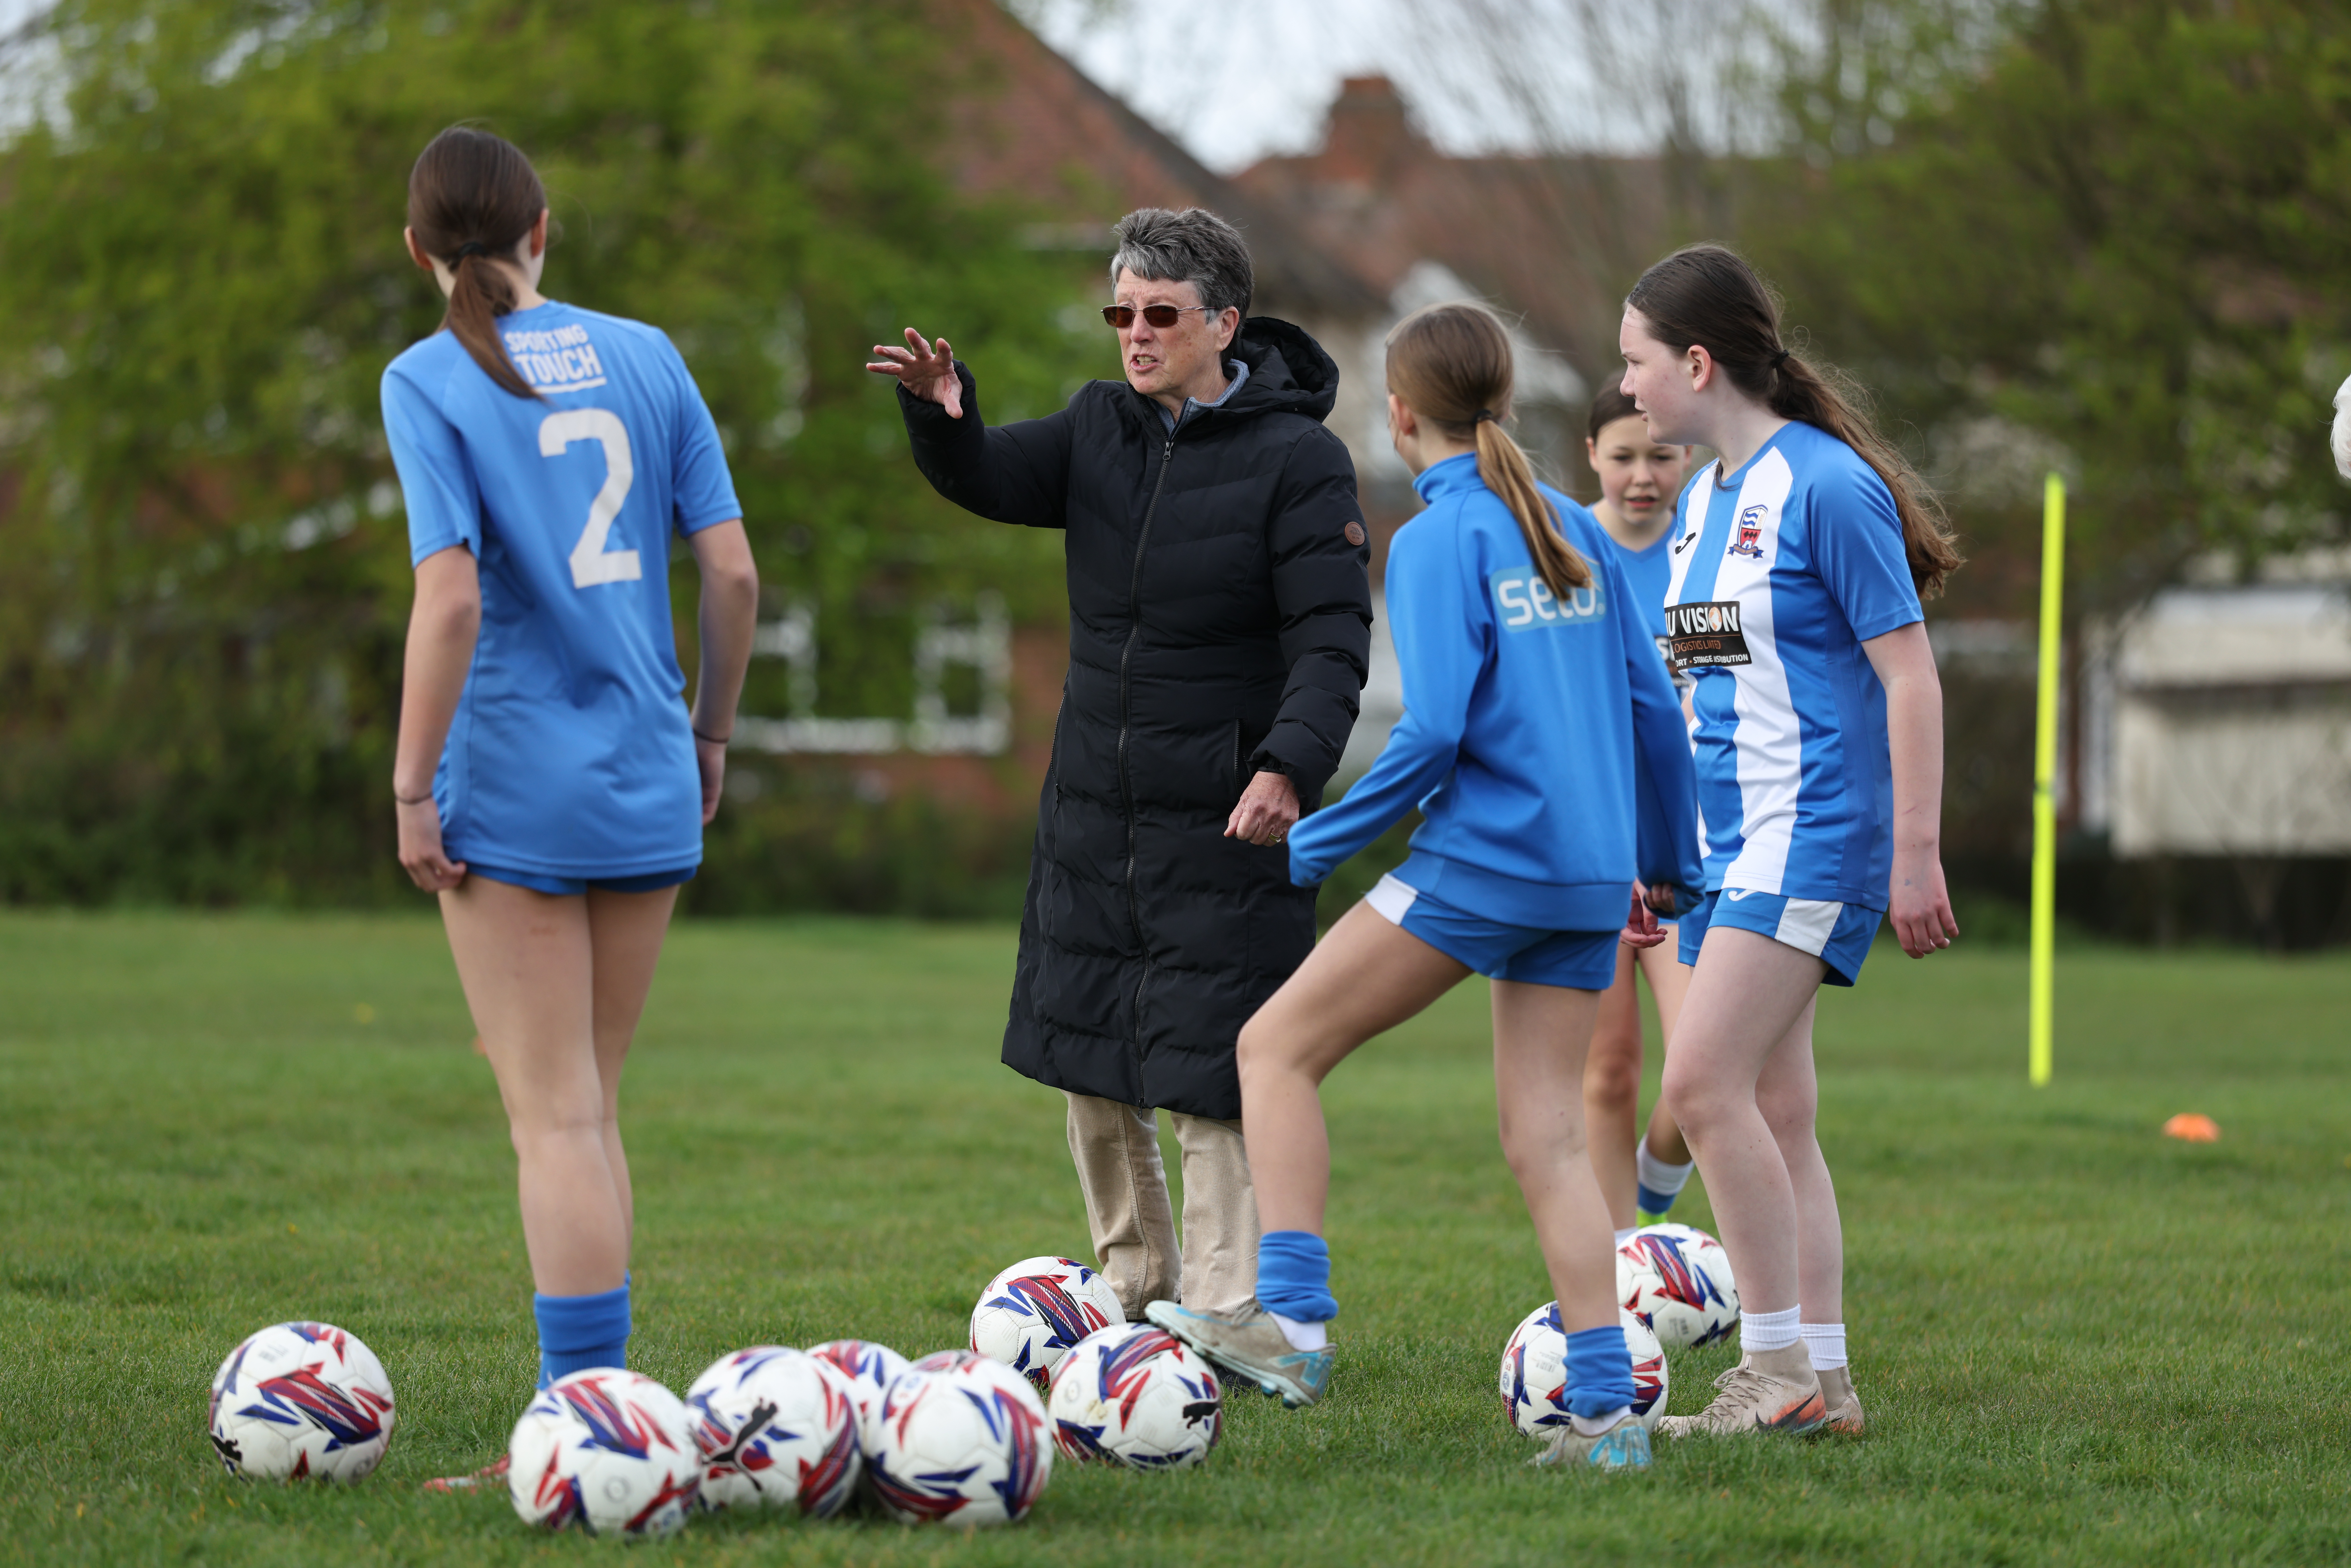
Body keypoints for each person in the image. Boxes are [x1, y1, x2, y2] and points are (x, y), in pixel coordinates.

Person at [1147, 302, 1702, 1475]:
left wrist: (1320, 832)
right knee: (1548, 1145)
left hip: (1485, 866)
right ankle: (1606, 1426)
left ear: (1397, 412)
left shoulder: (1438, 536)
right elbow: (1653, 711)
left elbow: (1437, 726)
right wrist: (1664, 864)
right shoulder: (1571, 525)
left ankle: (1290, 1327)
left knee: (1273, 1048)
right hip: (1586, 878)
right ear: (1500, 401)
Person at [864, 208, 1372, 1324]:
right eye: (1119, 313)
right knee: (1090, 1063)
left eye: (1159, 315)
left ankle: (1228, 1314)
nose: (1133, 334)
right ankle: (1134, 1293)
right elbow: (992, 476)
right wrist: (946, 418)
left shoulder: (1300, 459)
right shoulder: (1100, 425)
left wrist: (1287, 767)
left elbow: (1331, 643)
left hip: (1230, 814)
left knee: (1213, 1075)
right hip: (1096, 810)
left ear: (1222, 324)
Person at [381, 127, 759, 1470]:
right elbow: (730, 578)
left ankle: (576, 1427)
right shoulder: (650, 354)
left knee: (553, 1118)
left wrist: (412, 785)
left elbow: (451, 599)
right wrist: (709, 732)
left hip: (515, 787)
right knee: (588, 1106)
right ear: (543, 228)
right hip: (648, 773)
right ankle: (603, 1416)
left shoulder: (425, 377)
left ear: (420, 251)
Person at [1616, 243, 1961, 1438]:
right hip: (1722, 855)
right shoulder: (1702, 500)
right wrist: (1657, 849)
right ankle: (1826, 1383)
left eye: (1634, 363)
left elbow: (1907, 675)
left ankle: (1773, 1375)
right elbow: (1684, 701)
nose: (1625, 388)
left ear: (1697, 363)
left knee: (1699, 1088)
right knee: (1773, 1111)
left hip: (1811, 840)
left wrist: (1910, 855)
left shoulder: (1823, 487)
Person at [1579, 385, 1702, 1239]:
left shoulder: (1712, 549)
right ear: (1591, 454)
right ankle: (1620, 1269)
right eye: (1623, 456)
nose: (1642, 476)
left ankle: (1659, 1177)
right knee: (1609, 1072)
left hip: (1690, 848)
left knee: (1704, 1067)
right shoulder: (1561, 550)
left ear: (1686, 456)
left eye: (1660, 455)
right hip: (1588, 842)